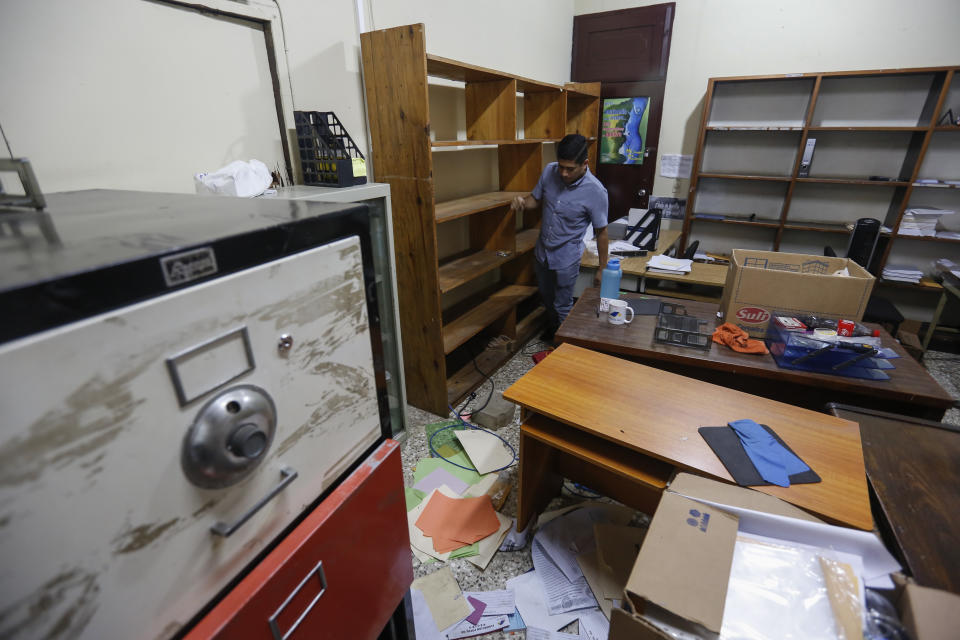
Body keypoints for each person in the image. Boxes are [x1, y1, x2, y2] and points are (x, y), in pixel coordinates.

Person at [511, 134, 609, 341]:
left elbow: (602, 232)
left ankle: (563, 349)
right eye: (561, 166)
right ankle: (555, 330)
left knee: (562, 304)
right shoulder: (550, 171)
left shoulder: (596, 191)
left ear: (585, 164)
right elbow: (534, 201)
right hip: (542, 252)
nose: (563, 173)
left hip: (566, 257)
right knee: (546, 298)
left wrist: (602, 268)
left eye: (570, 169)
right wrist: (522, 203)